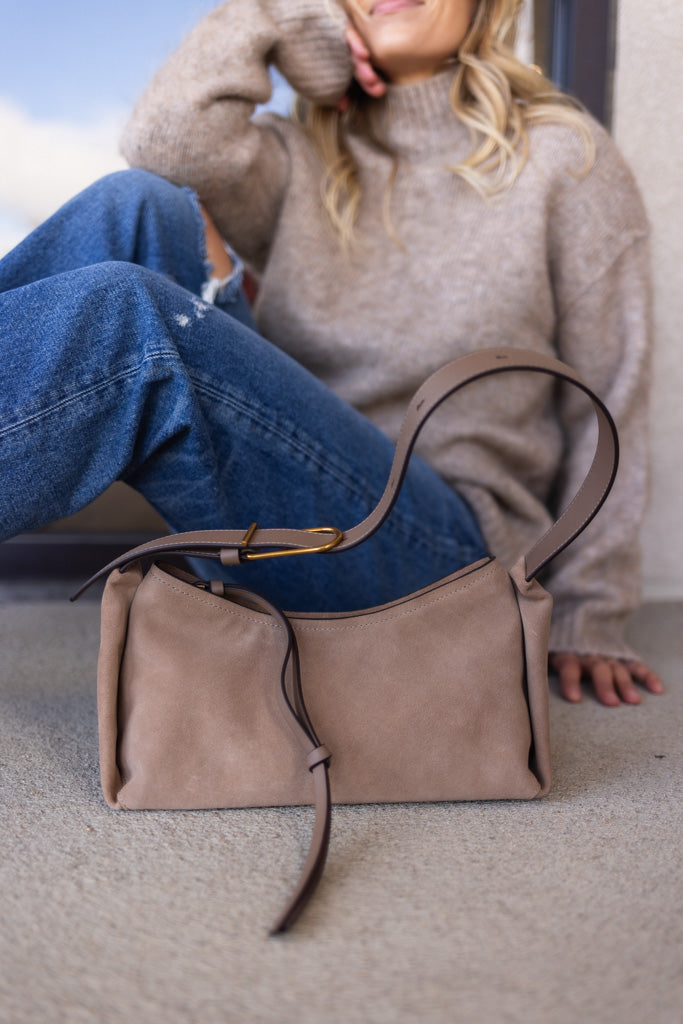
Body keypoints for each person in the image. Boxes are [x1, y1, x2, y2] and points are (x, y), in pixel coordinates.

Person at [0, 0, 663, 707]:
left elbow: (610, 390)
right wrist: (276, 17)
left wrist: (588, 610)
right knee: (134, 204)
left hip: (442, 551)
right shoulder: (300, 157)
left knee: (131, 320)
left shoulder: (565, 158)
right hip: (287, 499)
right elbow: (167, 141)